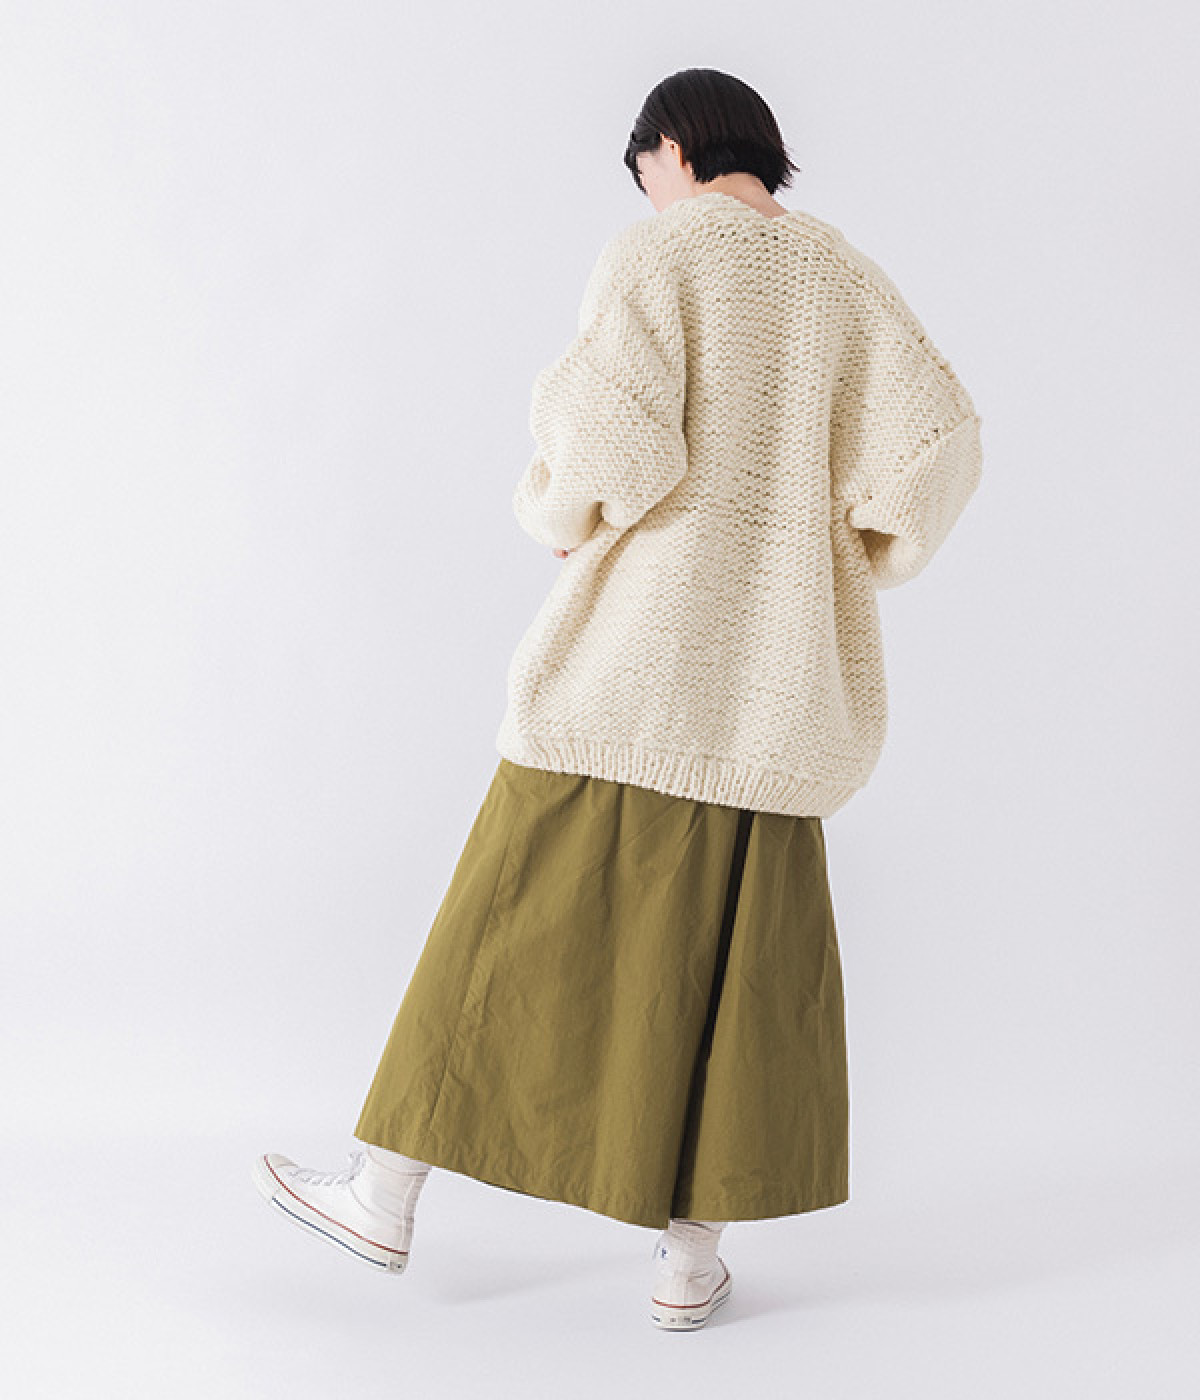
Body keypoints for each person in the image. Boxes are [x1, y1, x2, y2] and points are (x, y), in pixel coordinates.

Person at [251, 65, 984, 1332]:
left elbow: (613, 440)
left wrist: (559, 509)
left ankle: (384, 1194)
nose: (649, 195)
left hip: (638, 662)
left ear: (674, 148)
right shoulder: (849, 281)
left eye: (646, 173)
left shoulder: (664, 253)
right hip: (775, 691)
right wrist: (856, 547)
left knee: (502, 920)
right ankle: (687, 1265)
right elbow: (937, 448)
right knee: (733, 972)